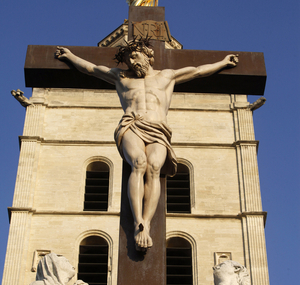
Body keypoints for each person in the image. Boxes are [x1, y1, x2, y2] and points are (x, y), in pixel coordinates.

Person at [56, 38, 238, 250]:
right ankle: (137, 221)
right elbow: (91, 68)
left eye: (135, 56)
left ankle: (147, 222)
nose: (132, 61)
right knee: (139, 163)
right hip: (132, 124)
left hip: (158, 128)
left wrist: (224, 63)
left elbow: (197, 71)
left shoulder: (166, 76)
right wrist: (70, 57)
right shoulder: (120, 76)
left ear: (148, 55)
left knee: (154, 167)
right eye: (128, 58)